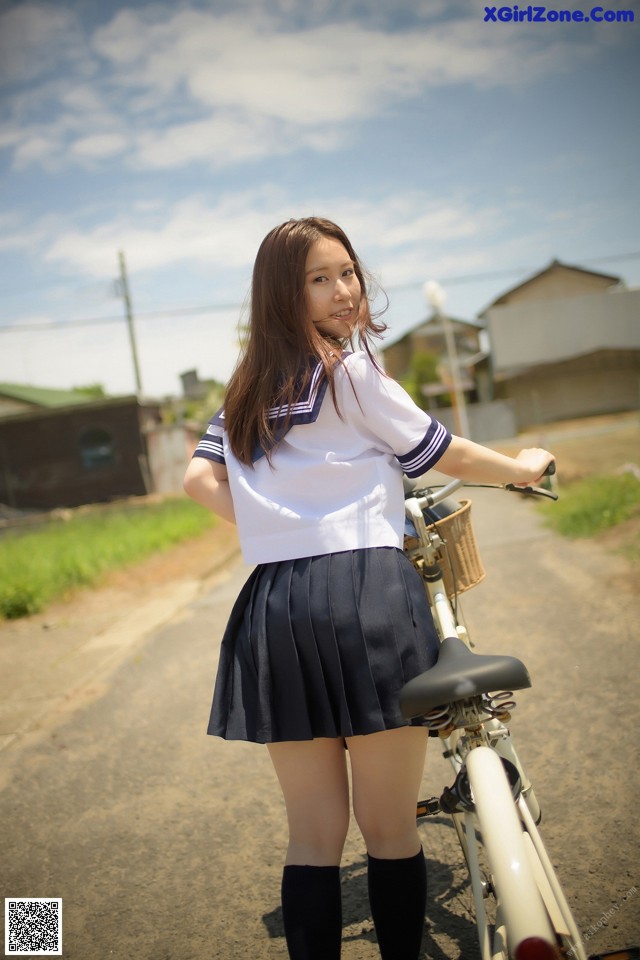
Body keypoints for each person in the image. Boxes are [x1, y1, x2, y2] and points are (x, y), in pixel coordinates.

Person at [183, 216, 554, 960]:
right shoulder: (349, 373)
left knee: (312, 837)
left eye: (347, 272)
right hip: (367, 598)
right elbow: (438, 453)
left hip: (276, 607)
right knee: (389, 830)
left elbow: (198, 479)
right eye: (318, 279)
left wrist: (276, 526)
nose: (342, 290)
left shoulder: (247, 388)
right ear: (282, 295)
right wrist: (525, 464)